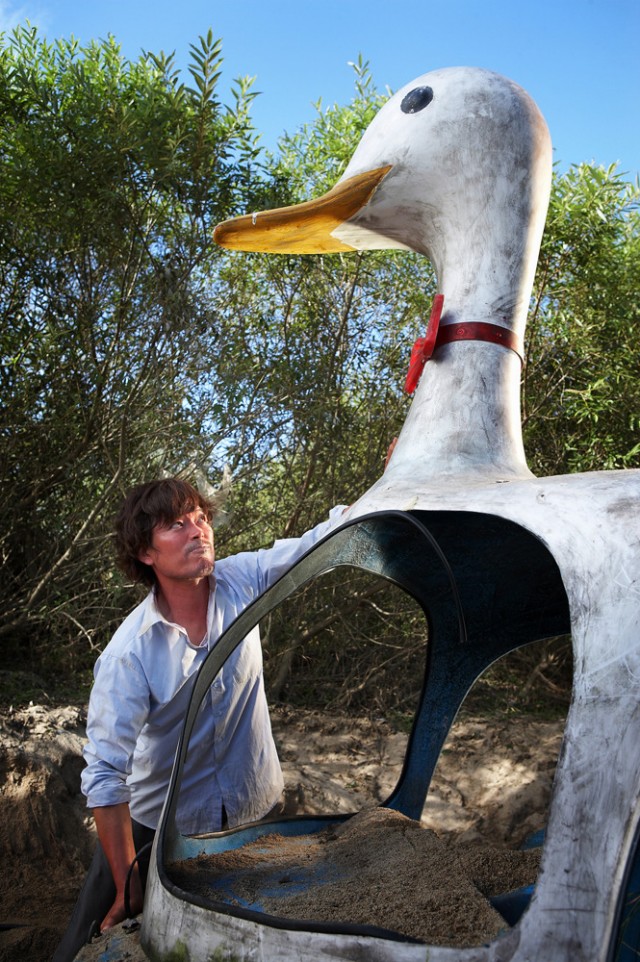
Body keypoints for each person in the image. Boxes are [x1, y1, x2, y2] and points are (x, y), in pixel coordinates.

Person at [53, 477, 346, 962]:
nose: (198, 531)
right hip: (159, 830)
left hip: (254, 813)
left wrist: (397, 473)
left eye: (201, 518)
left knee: (251, 937)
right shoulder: (130, 653)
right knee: (91, 937)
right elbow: (105, 777)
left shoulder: (242, 579)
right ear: (146, 552)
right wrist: (130, 882)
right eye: (176, 525)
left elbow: (324, 541)